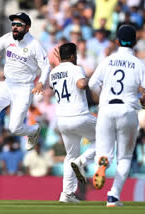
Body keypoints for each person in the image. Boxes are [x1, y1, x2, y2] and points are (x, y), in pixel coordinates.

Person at [88, 25, 145, 207]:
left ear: (116, 41)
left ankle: (102, 164)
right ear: (135, 42)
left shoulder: (108, 60)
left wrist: (102, 97)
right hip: (128, 110)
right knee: (125, 157)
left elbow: (92, 83)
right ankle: (114, 195)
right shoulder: (139, 63)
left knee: (103, 152)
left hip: (106, 109)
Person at [0, 12, 50, 159]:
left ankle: (33, 130)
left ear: (28, 27)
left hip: (24, 88)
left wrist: (41, 82)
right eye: (13, 24)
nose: (15, 27)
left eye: (19, 25)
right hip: (7, 84)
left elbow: (46, 66)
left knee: (14, 128)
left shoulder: (34, 45)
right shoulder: (8, 38)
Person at [49, 43, 96, 203]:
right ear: (73, 56)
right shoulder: (77, 68)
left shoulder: (53, 72)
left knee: (70, 155)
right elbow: (81, 85)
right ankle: (82, 162)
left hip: (62, 120)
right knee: (107, 137)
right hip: (79, 116)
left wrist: (59, 65)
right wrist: (93, 79)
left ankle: (66, 194)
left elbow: (55, 83)